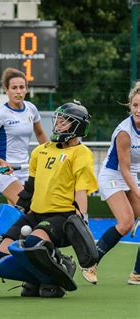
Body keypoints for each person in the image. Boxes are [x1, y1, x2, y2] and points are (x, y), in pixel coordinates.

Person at [0, 101, 98, 297]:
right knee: (1, 252)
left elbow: (81, 191)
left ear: (77, 126)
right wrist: (20, 209)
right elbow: (30, 188)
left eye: (64, 122)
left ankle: (61, 265)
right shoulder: (41, 151)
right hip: (35, 214)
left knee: (31, 243)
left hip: (62, 217)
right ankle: (34, 278)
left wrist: (83, 219)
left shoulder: (82, 154)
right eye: (58, 121)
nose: (58, 125)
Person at [82, 81, 140, 285]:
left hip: (132, 175)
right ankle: (90, 263)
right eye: (135, 105)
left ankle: (137, 274)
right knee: (125, 222)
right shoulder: (125, 132)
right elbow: (124, 169)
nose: (138, 110)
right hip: (113, 176)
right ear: (130, 105)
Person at [0, 68, 47, 205]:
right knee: (27, 206)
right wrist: (2, 163)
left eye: (22, 87)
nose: (18, 91)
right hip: (4, 171)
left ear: (26, 89)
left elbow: (40, 133)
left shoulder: (31, 109)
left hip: (25, 170)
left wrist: (51, 154)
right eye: (14, 88)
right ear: (7, 90)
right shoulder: (0, 114)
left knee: (21, 210)